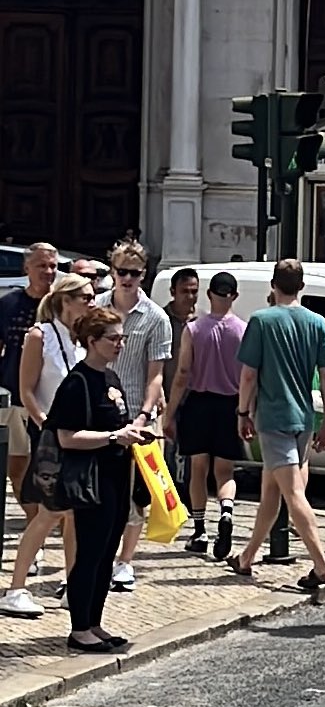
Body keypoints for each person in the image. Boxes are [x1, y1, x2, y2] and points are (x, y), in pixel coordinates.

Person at [228, 260, 325, 590]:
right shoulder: (317, 322)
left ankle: (321, 565)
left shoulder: (262, 320)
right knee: (270, 492)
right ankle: (246, 558)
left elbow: (248, 374)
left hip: (273, 418)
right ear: (301, 287)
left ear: (273, 285)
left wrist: (243, 412)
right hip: (303, 418)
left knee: (292, 493)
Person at [49, 308, 151, 651]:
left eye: (122, 338)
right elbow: (66, 436)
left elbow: (116, 425)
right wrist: (112, 437)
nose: (120, 344)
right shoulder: (77, 383)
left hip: (117, 474)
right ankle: (79, 629)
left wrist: (135, 433)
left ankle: (95, 621)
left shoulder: (112, 378)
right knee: (90, 551)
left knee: (108, 550)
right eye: (113, 339)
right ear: (92, 341)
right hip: (90, 477)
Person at [0, 275, 94, 617]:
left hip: (77, 436)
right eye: (84, 296)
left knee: (73, 515)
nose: (91, 301)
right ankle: (16, 588)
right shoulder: (40, 336)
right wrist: (46, 426)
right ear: (65, 300)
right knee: (49, 512)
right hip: (50, 435)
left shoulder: (81, 339)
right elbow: (27, 389)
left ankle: (73, 584)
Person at [96, 240, 171, 591]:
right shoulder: (96, 309)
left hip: (136, 410)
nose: (127, 278)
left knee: (135, 492)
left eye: (134, 273)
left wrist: (144, 415)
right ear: (112, 270)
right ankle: (97, 555)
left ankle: (125, 561)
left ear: (144, 275)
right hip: (97, 409)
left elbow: (155, 373)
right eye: (121, 271)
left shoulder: (155, 317)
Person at [164, 272, 247, 560]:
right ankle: (226, 511)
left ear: (209, 294)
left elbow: (183, 373)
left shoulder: (194, 329)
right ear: (234, 296)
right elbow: (250, 376)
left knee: (198, 468)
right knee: (225, 471)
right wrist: (247, 412)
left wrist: (170, 412)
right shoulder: (243, 330)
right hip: (230, 405)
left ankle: (199, 530)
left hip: (198, 403)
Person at [0, 242, 59, 576]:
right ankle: (33, 530)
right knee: (19, 472)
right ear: (27, 269)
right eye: (42, 266)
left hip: (52, 403)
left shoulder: (61, 307)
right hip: (17, 401)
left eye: (52, 266)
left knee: (51, 475)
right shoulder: (9, 304)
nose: (48, 272)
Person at [162, 268, 200, 512]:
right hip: (164, 394)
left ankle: (184, 498)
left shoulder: (202, 322)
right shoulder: (161, 319)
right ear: (173, 292)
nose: (189, 297)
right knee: (165, 450)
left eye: (194, 291)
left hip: (194, 397)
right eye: (185, 291)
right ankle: (165, 500)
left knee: (189, 453)